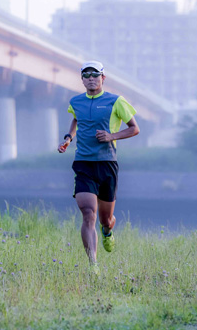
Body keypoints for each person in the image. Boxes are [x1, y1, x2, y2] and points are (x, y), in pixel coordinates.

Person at [58, 61, 139, 264]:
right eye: (87, 75)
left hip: (107, 164)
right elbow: (76, 119)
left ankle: (107, 230)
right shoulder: (76, 101)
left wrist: (112, 136)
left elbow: (134, 128)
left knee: (104, 219)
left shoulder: (116, 101)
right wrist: (69, 138)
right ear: (82, 79)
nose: (91, 78)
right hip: (83, 163)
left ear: (103, 78)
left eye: (96, 75)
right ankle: (93, 265)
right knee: (87, 213)